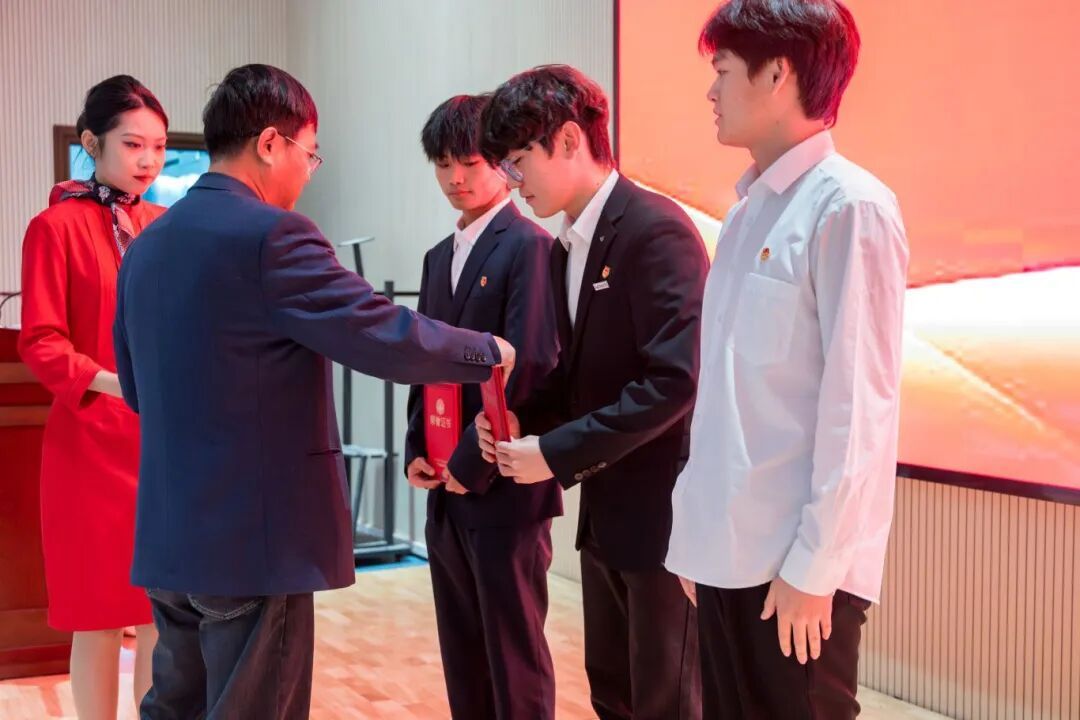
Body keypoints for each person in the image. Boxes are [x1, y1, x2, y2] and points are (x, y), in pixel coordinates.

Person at [113, 64, 514, 720]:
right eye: (310, 153)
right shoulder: (274, 235)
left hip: (169, 535)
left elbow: (135, 388)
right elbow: (382, 333)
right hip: (254, 542)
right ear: (271, 143)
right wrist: (486, 351)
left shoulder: (146, 246)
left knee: (175, 709)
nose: (309, 171)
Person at [664, 2, 910, 717]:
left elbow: (858, 411)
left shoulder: (851, 207)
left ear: (777, 74)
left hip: (794, 568)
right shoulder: (746, 213)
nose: (711, 92)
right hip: (729, 553)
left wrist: (816, 566)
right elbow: (727, 398)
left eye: (722, 71)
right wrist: (700, 537)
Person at [477, 64, 707, 720]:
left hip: (664, 519)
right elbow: (578, 379)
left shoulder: (655, 230)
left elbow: (674, 381)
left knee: (667, 703)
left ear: (570, 140)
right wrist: (523, 418)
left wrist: (554, 453)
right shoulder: (564, 248)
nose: (512, 182)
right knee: (613, 693)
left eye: (518, 162)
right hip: (606, 518)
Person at [403, 93, 562, 720]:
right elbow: (421, 361)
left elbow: (532, 364)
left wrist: (470, 465)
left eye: (469, 162)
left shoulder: (530, 245)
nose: (455, 178)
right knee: (462, 652)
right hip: (446, 486)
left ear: (501, 162)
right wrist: (419, 449)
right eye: (442, 164)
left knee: (513, 655)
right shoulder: (437, 258)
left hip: (504, 487)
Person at [18, 74, 166, 720]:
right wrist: (114, 383)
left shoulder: (164, 227)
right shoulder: (53, 228)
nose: (148, 160)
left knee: (163, 610)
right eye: (133, 144)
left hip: (161, 445)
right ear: (90, 142)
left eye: (158, 147)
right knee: (98, 617)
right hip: (88, 447)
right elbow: (41, 341)